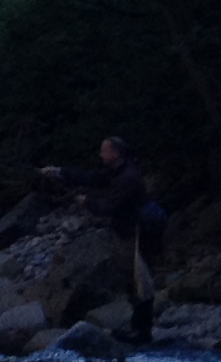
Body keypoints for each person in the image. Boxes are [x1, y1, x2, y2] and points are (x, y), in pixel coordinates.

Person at [41, 134, 165, 342]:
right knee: (131, 280)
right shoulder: (117, 172)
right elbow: (91, 178)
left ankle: (142, 332)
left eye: (104, 151)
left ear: (115, 154)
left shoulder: (129, 178)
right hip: (127, 232)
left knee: (140, 281)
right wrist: (59, 173)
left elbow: (110, 206)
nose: (100, 154)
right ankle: (138, 327)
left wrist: (86, 201)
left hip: (138, 234)